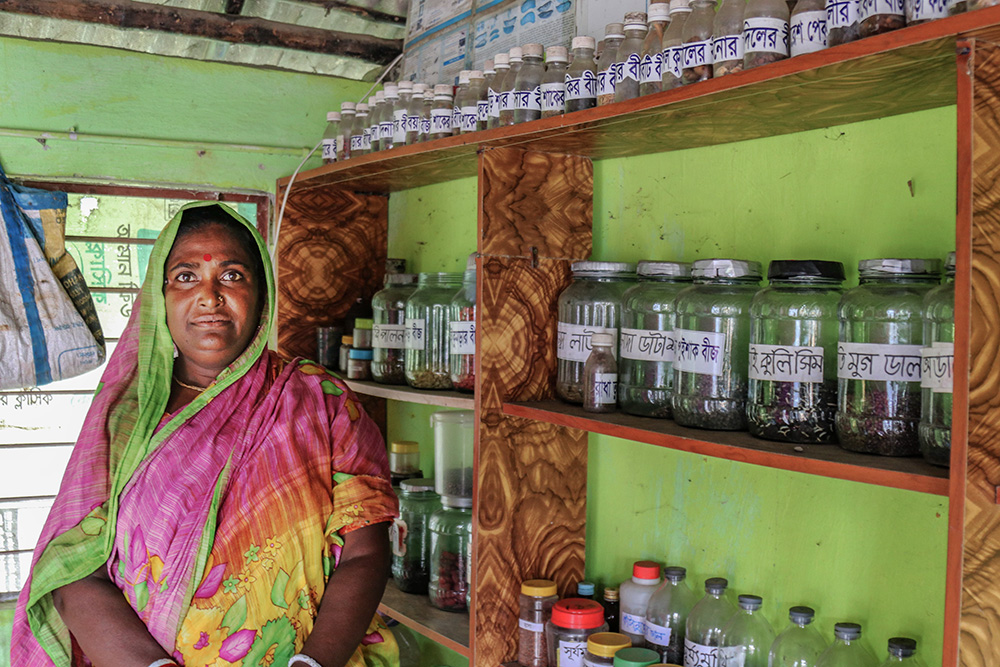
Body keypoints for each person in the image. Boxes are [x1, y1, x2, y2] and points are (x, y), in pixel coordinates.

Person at [11, 202, 399, 667]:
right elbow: (73, 570)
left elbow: (365, 551)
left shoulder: (321, 401)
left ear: (262, 295)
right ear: (160, 295)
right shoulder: (125, 419)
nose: (210, 297)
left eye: (232, 276)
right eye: (186, 276)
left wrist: (312, 664)